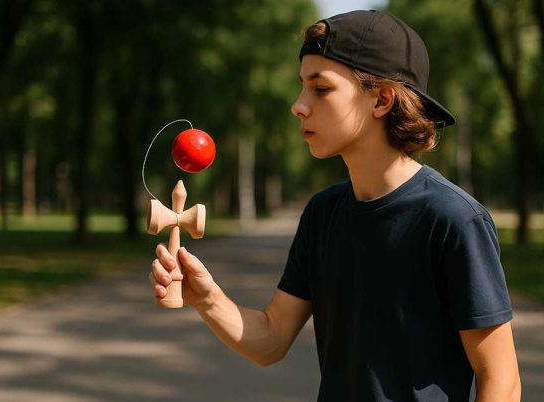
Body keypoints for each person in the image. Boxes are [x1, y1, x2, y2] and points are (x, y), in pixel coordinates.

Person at [149, 10, 521, 402]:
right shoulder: (323, 214)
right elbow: (271, 340)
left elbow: (501, 380)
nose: (298, 105)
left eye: (320, 88)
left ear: (382, 99)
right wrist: (207, 299)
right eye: (301, 87)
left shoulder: (453, 219)